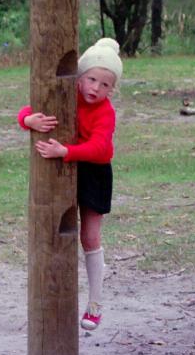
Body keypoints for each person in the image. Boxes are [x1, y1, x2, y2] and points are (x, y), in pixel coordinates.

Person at [17, 37, 121, 331]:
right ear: (80, 76)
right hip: (62, 167)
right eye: (91, 79)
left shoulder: (105, 112)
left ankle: (96, 303)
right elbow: (26, 111)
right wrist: (29, 121)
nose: (95, 89)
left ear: (112, 89)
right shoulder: (67, 95)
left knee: (89, 236)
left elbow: (101, 148)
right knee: (54, 231)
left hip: (93, 172)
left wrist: (67, 152)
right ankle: (52, 296)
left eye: (105, 85)